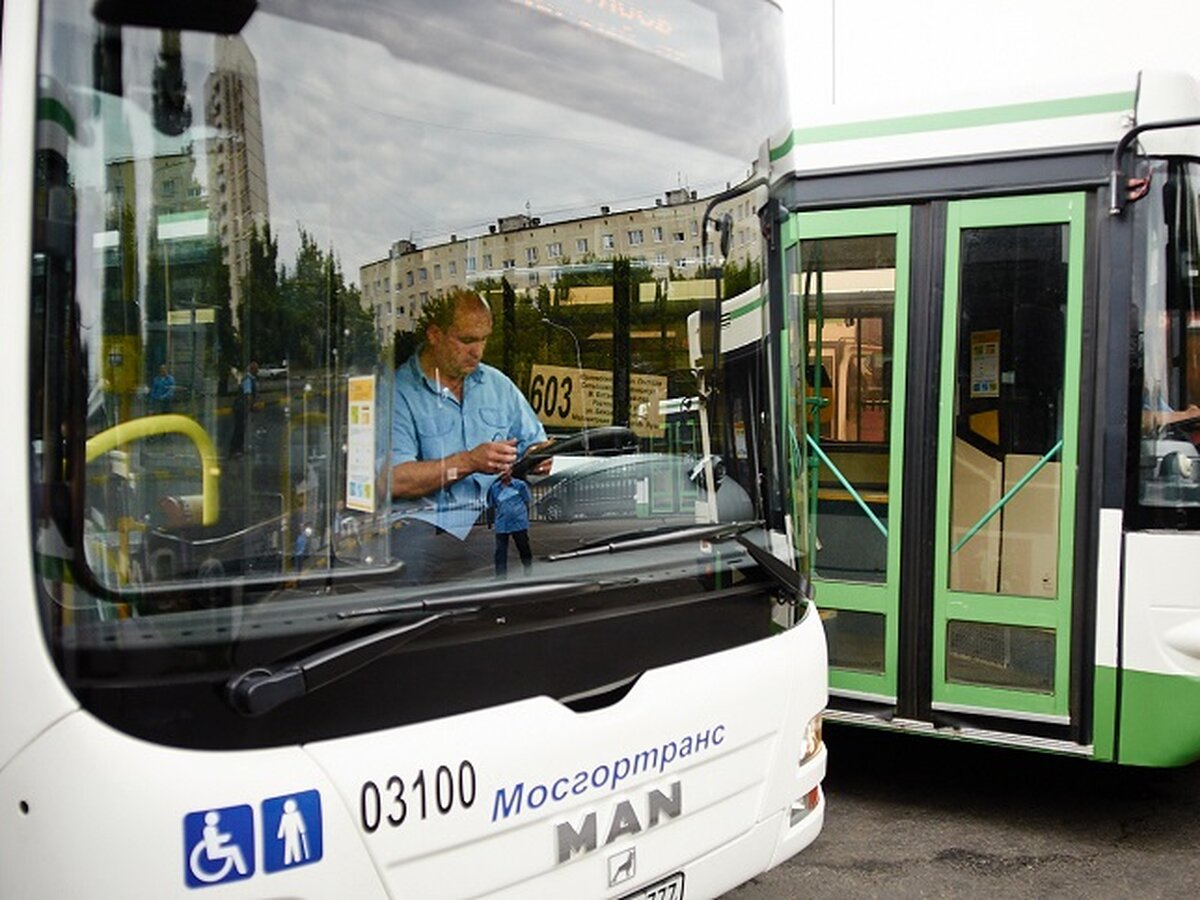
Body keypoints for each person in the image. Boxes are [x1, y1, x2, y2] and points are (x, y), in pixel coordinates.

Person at [391, 289, 548, 582]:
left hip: (493, 526)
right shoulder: (397, 392)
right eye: (466, 340)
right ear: (435, 334)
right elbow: (394, 480)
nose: (477, 351)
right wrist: (468, 462)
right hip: (424, 533)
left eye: (483, 339)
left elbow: (534, 444)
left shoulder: (497, 385)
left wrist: (540, 459)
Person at [487, 469, 533, 578]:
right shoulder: (494, 488)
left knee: (523, 547)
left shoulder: (520, 485)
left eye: (505, 471)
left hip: (519, 523)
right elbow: (492, 505)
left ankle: (528, 570)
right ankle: (501, 576)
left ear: (511, 471)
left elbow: (526, 501)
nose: (503, 473)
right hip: (502, 523)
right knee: (500, 551)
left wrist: (525, 518)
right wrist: (491, 522)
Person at [229, 361, 258, 456]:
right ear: (253, 370)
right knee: (239, 428)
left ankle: (238, 448)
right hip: (241, 407)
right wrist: (251, 406)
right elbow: (248, 395)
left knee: (241, 428)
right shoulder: (248, 380)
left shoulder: (250, 379)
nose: (257, 371)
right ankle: (235, 449)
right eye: (256, 369)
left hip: (241, 406)